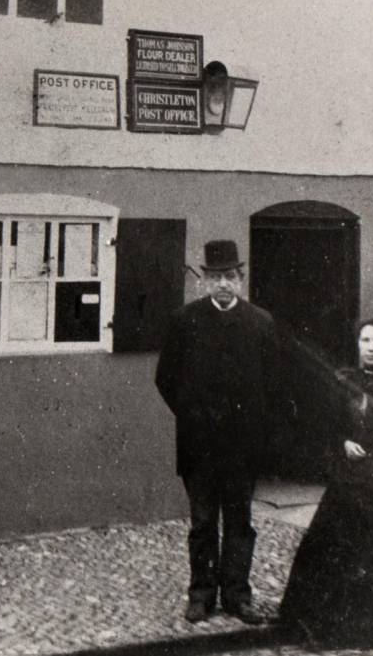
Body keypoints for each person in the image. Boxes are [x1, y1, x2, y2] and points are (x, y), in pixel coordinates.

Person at [274, 318, 373, 649]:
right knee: (332, 545)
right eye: (365, 341)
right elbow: (330, 426)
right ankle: (332, 628)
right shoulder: (344, 381)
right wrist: (344, 442)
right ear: (357, 344)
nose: (371, 347)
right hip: (352, 474)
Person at [155, 239, 287, 625]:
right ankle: (201, 595)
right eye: (215, 277)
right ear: (204, 282)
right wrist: (194, 415)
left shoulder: (260, 323)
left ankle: (237, 595)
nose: (223, 284)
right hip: (198, 446)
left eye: (230, 276)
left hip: (243, 447)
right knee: (202, 523)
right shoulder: (185, 321)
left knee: (240, 522)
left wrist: (255, 425)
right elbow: (165, 377)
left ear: (241, 280)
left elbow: (275, 383)